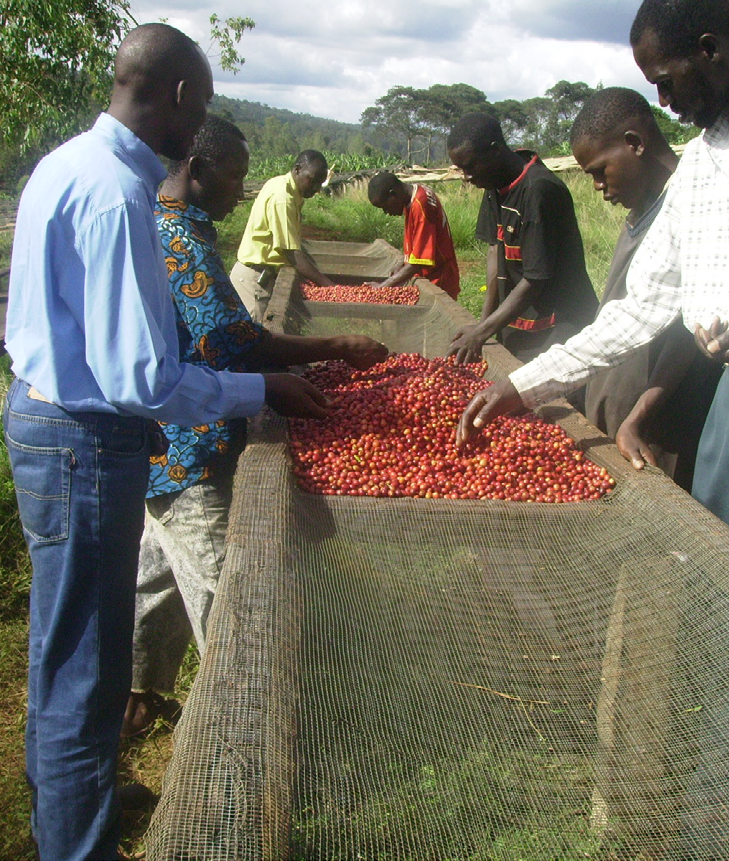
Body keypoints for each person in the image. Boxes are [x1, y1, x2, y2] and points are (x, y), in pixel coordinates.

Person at [3, 24, 333, 861]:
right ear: (180, 95)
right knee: (88, 667)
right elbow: (142, 379)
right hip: (86, 438)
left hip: (41, 414)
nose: (201, 127)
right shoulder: (120, 195)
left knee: (61, 638)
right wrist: (262, 388)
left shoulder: (64, 164)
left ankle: (65, 801)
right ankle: (77, 841)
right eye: (204, 103)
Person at [457, 0, 729, 603]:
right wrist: (524, 385)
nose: (664, 102)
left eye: (666, 82)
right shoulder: (702, 164)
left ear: (710, 49)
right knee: (714, 568)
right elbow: (640, 306)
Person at [124, 116, 387, 735]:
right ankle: (239, 735)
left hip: (159, 442)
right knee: (231, 590)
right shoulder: (177, 236)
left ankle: (131, 697)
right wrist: (335, 346)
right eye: (235, 175)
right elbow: (229, 342)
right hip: (187, 447)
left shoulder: (172, 220)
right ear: (197, 169)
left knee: (155, 572)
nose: (242, 190)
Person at [572, 87, 720, 492]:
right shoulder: (643, 209)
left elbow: (689, 329)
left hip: (655, 430)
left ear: (635, 143)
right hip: (620, 419)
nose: (598, 186)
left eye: (600, 171)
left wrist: (638, 417)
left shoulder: (690, 209)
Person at [445, 112, 600, 365]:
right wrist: (483, 325)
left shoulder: (539, 190)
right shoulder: (494, 183)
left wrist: (481, 333)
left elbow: (536, 279)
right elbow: (495, 252)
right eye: (462, 169)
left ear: (494, 151)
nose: (467, 177)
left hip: (559, 327)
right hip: (518, 320)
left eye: (470, 166)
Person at [231, 150, 334, 323]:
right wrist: (330, 286)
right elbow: (292, 253)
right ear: (297, 169)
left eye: (320, 184)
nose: (316, 188)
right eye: (312, 180)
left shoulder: (285, 187)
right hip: (254, 279)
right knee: (256, 333)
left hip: (263, 275)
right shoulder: (283, 198)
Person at [366, 171, 460, 299]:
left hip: (439, 279)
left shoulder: (421, 204)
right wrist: (403, 263)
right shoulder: (413, 197)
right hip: (430, 276)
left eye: (385, 206)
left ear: (393, 194)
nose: (386, 212)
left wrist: (384, 286)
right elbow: (417, 245)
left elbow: (419, 261)